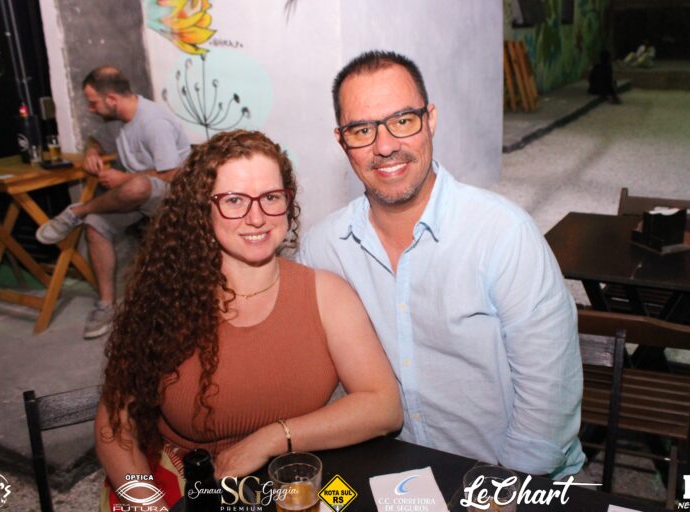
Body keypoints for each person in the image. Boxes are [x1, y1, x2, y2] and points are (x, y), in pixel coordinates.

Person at [299, 50, 585, 479]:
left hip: (507, 479)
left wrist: (495, 496)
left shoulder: (503, 234)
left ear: (430, 120)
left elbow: (548, 409)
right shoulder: (324, 249)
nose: (385, 146)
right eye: (362, 130)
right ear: (342, 141)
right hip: (394, 476)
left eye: (402, 120)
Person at [95, 130, 402, 509]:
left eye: (270, 197)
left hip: (292, 481)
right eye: (234, 200)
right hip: (192, 487)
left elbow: (383, 407)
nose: (257, 217)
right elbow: (114, 424)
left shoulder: (327, 294)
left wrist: (273, 437)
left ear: (287, 202)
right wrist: (146, 502)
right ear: (202, 208)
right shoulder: (165, 298)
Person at [36, 66, 191, 339]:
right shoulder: (120, 121)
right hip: (136, 196)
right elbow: (97, 138)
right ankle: (106, 305)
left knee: (136, 185)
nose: (91, 109)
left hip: (173, 194)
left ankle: (77, 212)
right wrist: (92, 152)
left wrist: (124, 178)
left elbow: (173, 174)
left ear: (111, 99)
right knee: (95, 224)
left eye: (93, 102)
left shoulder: (153, 122)